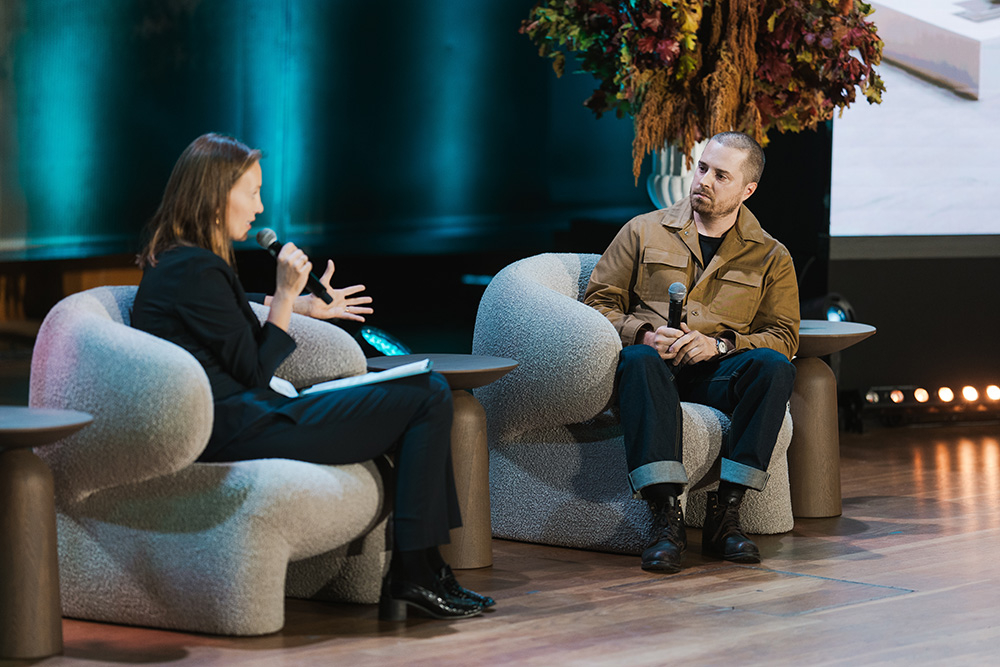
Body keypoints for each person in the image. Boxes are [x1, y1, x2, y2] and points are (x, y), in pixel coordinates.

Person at [131, 132, 494, 620]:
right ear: (216, 196)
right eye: (252, 192)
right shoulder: (194, 268)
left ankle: (425, 567)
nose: (260, 207)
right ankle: (418, 570)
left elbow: (228, 317)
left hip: (244, 417)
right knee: (426, 394)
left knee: (423, 390)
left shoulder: (182, 262)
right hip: (241, 427)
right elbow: (256, 373)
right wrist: (283, 296)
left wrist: (298, 304)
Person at [584, 131, 799, 573]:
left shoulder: (771, 256)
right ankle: (665, 519)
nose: (704, 180)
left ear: (747, 190)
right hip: (652, 370)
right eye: (703, 168)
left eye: (721, 175)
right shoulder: (643, 230)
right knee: (639, 360)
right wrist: (642, 333)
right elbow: (596, 305)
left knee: (774, 367)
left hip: (713, 374)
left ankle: (728, 513)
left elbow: (783, 334)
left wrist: (719, 345)